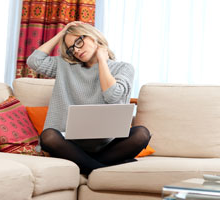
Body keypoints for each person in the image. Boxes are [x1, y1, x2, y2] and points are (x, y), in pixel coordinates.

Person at [27, 21, 151, 175]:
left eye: (79, 42)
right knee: (48, 136)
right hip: (70, 145)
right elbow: (34, 61)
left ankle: (87, 166)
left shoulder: (123, 68)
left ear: (93, 37)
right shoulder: (65, 66)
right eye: (72, 48)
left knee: (141, 134)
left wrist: (102, 62)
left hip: (108, 145)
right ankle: (99, 170)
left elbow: (112, 96)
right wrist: (63, 32)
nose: (77, 50)